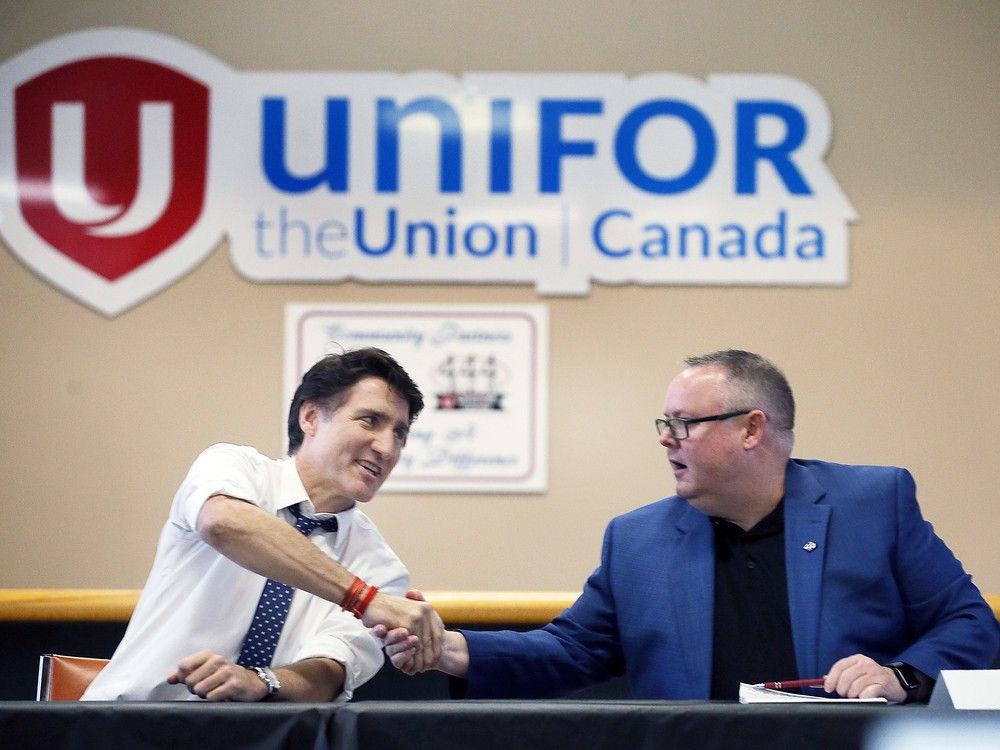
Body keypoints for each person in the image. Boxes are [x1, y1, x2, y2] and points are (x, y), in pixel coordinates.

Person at [381, 349, 999, 702]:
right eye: (663, 426)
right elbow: (572, 650)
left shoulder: (874, 502)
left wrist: (899, 677)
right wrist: (451, 649)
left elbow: (970, 623)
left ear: (752, 429)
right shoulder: (639, 540)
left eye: (682, 425)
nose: (667, 442)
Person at [84, 347, 443, 702]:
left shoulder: (383, 569)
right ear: (311, 417)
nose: (386, 447)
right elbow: (223, 523)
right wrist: (363, 600)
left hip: (263, 739)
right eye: (370, 420)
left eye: (399, 433)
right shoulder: (234, 468)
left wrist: (259, 682)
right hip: (128, 724)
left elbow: (331, 672)